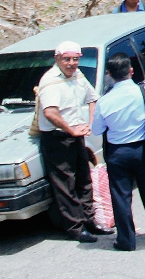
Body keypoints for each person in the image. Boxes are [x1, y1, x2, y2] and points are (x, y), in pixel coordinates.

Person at [92, 54, 145, 248]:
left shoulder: (104, 101)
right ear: (131, 70)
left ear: (109, 74)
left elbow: (97, 130)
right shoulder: (144, 91)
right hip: (143, 148)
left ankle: (126, 239)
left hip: (117, 152)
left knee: (121, 196)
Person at [37, 41, 107, 242]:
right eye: (67, 59)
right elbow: (50, 112)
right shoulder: (50, 81)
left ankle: (90, 221)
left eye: (75, 59)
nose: (71, 63)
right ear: (57, 59)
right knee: (65, 184)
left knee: (84, 179)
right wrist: (71, 130)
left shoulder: (78, 75)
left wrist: (91, 125)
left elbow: (93, 99)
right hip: (58, 138)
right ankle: (75, 227)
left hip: (76, 136)